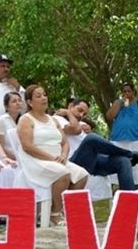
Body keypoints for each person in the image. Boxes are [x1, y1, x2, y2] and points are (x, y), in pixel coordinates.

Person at [16, 85, 88, 226]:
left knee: (82, 175)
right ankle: (54, 214)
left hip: (58, 159)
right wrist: (51, 158)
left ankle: (64, 210)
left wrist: (63, 155)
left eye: (44, 94)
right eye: (38, 96)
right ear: (30, 102)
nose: (43, 98)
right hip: (36, 160)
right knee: (63, 173)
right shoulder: (26, 119)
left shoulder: (52, 120)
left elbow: (65, 143)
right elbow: (27, 146)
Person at [54, 98, 138, 192]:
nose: (81, 115)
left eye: (84, 114)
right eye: (80, 110)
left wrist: (89, 132)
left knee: (123, 161)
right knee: (91, 139)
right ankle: (130, 154)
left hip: (92, 162)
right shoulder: (58, 119)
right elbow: (75, 130)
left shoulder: (82, 124)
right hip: (73, 162)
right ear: (70, 106)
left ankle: (128, 203)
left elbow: (97, 143)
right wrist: (68, 113)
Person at [106, 82, 138, 184]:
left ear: (133, 92)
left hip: (136, 139)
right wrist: (119, 104)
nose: (127, 93)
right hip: (118, 140)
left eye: (129, 91)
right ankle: (120, 191)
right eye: (124, 91)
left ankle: (136, 192)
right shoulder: (117, 102)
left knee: (136, 168)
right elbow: (109, 117)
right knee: (119, 165)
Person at [0, 91, 23, 160]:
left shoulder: (23, 120)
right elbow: (0, 147)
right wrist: (18, 158)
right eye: (14, 101)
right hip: (7, 159)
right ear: (6, 106)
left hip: (22, 157)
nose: (18, 103)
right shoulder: (1, 121)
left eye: (19, 100)